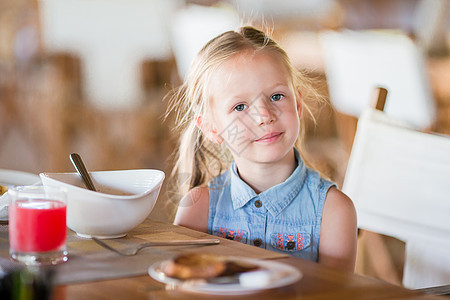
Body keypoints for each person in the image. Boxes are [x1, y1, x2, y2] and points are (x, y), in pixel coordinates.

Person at [167, 26, 357, 271]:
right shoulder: (198, 209)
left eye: (277, 96)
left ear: (298, 105)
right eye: (240, 107)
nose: (264, 116)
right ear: (212, 128)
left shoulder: (333, 211)